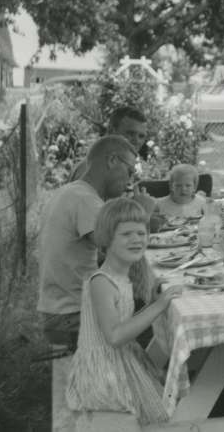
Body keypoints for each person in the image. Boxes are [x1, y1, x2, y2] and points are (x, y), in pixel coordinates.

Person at [66, 198, 184, 425]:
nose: (136, 240)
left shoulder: (123, 274)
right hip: (102, 372)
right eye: (126, 234)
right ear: (107, 239)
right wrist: (158, 306)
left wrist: (157, 295)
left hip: (121, 360)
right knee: (135, 420)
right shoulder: (101, 281)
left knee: (153, 412)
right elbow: (115, 336)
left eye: (141, 233)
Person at [38, 135, 138, 350]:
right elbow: (123, 252)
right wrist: (143, 213)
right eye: (130, 171)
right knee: (148, 310)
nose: (130, 181)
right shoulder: (86, 200)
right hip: (71, 314)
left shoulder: (69, 191)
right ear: (112, 160)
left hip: (56, 309)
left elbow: (100, 253)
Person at [70, 106, 148, 182]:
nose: (137, 141)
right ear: (111, 131)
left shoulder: (118, 169)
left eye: (141, 136)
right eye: (130, 133)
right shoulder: (91, 168)